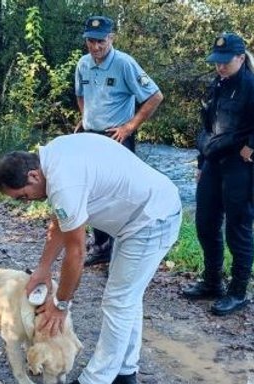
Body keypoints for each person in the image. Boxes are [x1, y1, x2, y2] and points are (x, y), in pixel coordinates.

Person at [0, 133, 182, 384]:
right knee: (127, 299)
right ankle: (125, 374)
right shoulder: (52, 157)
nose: (28, 201)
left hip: (152, 220)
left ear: (33, 176)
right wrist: (43, 269)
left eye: (23, 196)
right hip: (140, 218)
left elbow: (76, 252)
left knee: (118, 302)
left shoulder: (62, 182)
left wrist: (60, 305)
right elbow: (61, 222)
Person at [182, 32, 254, 316]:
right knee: (206, 225)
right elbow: (207, 127)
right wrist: (200, 162)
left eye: (225, 61)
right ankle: (212, 283)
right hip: (212, 165)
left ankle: (238, 292)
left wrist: (253, 145)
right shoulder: (216, 85)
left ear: (241, 58)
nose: (220, 66)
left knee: (238, 230)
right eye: (216, 61)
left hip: (240, 168)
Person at [74, 16, 164, 268]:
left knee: (118, 196)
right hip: (90, 136)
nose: (95, 47)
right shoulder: (82, 64)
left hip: (116, 137)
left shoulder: (125, 63)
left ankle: (121, 251)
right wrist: (85, 118)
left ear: (111, 38)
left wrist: (130, 126)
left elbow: (155, 96)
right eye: (91, 41)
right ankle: (101, 247)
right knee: (92, 193)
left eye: (101, 41)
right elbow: (81, 95)